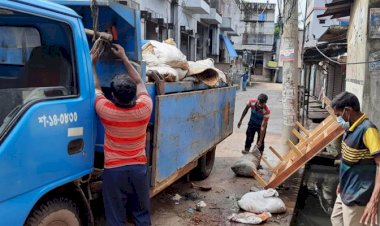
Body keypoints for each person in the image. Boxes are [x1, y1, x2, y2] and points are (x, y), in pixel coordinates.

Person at [91, 44, 152, 226]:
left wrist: (92, 64)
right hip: (139, 171)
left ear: (114, 97)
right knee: (141, 215)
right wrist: (124, 58)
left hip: (114, 171)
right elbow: (140, 82)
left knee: (116, 217)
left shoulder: (107, 111)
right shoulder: (144, 108)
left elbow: (96, 89)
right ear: (134, 95)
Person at [330, 91, 380, 226]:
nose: (338, 119)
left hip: (359, 194)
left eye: (339, 115)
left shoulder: (368, 130)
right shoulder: (350, 128)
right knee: (336, 220)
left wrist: (373, 201)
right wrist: (342, 181)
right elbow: (348, 160)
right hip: (346, 189)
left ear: (347, 110)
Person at [237, 93, 270, 159]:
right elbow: (246, 110)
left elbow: (263, 127)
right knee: (248, 138)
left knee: (260, 144)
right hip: (252, 123)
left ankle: (258, 160)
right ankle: (246, 154)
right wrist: (240, 120)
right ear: (257, 100)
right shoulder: (251, 102)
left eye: (262, 105)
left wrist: (260, 141)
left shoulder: (266, 111)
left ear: (265, 103)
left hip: (261, 126)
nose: (260, 106)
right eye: (259, 104)